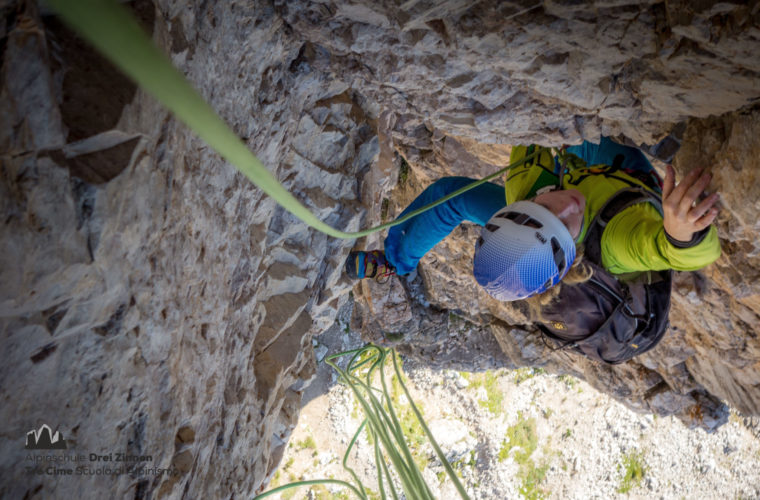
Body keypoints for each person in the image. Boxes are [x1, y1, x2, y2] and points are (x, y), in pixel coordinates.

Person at [345, 137, 721, 303]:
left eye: (545, 209)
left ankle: (393, 260)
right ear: (571, 251)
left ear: (514, 210)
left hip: (555, 197)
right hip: (618, 181)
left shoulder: (523, 186)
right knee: (589, 134)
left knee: (451, 198)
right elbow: (666, 251)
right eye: (564, 223)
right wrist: (680, 233)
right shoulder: (614, 242)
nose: (569, 206)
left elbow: (537, 130)